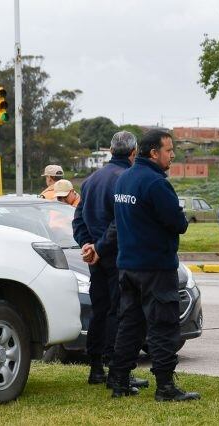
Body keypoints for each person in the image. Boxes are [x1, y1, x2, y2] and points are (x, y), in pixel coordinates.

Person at [106, 130, 199, 402]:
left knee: (130, 326)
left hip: (128, 266)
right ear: (154, 153)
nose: (173, 155)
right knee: (163, 326)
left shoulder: (125, 179)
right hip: (155, 267)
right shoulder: (156, 183)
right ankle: (165, 386)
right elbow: (178, 223)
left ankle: (120, 380)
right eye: (169, 150)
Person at [72, 131, 148, 391]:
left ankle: (96, 367)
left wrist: (87, 245)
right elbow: (120, 222)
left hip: (95, 256)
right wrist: (101, 247)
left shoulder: (91, 179)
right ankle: (119, 371)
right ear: (133, 152)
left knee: (99, 310)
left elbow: (78, 218)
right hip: (116, 255)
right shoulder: (125, 179)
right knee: (121, 312)